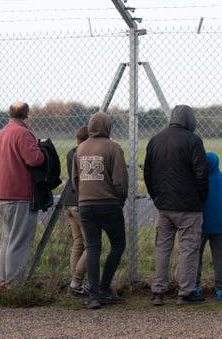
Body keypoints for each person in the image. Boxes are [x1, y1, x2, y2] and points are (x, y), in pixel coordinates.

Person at [144, 105, 209, 306]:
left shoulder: (155, 140)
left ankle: (158, 291)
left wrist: (156, 197)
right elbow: (201, 174)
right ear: (190, 120)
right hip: (188, 206)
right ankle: (185, 292)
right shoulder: (193, 141)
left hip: (164, 206)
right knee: (189, 248)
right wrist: (200, 198)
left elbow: (147, 173)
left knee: (163, 248)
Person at [73, 112, 128, 309]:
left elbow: (75, 179)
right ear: (107, 126)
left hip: (86, 205)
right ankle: (105, 288)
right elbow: (120, 180)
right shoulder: (113, 147)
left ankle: (93, 296)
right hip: (109, 204)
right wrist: (120, 200)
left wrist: (84, 197)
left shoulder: (80, 148)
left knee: (93, 248)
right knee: (118, 244)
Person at [0, 102, 45, 285]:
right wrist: (43, 151)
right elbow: (34, 159)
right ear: (27, 115)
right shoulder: (23, 133)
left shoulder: (0, 134)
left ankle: (3, 281)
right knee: (19, 242)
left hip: (1, 193)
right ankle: (14, 286)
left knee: (7, 240)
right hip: (19, 194)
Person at [194, 151, 222, 301]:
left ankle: (195, 287)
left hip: (202, 224)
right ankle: (220, 289)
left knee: (195, 256)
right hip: (220, 225)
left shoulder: (199, 180)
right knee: (219, 258)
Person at [61, 125, 90, 297]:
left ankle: (75, 286)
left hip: (68, 203)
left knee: (78, 244)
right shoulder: (85, 153)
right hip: (80, 203)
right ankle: (76, 281)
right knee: (92, 245)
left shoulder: (71, 152)